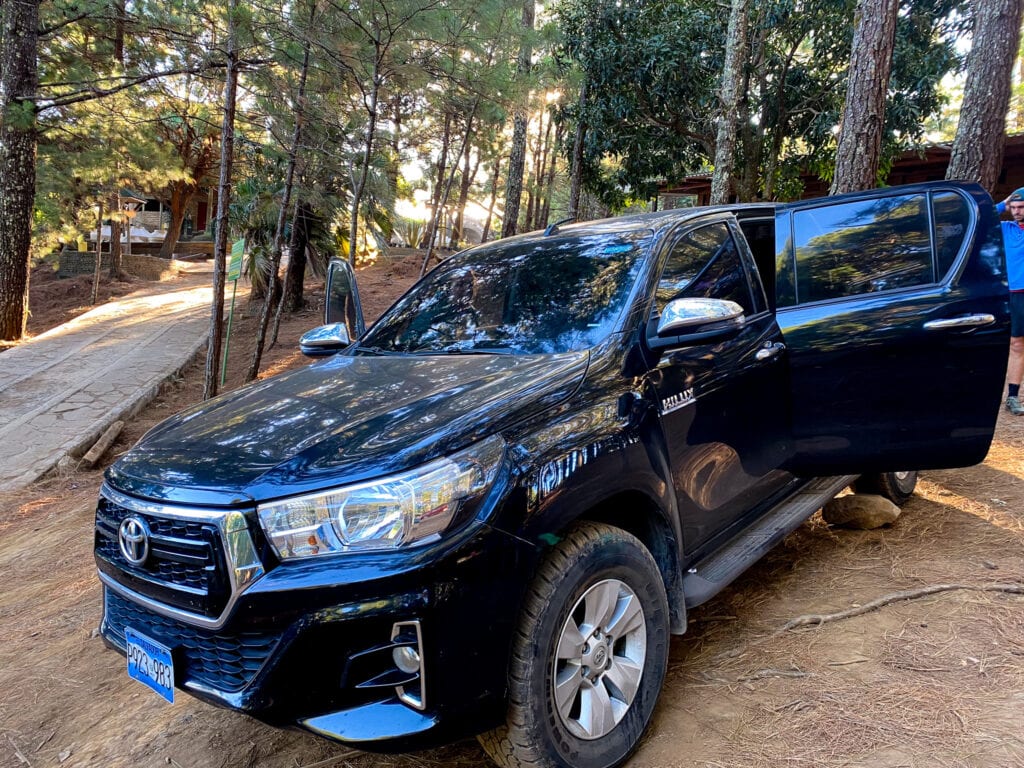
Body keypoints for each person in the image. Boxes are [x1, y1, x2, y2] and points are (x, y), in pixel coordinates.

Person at [996, 188, 1024, 415]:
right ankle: (1012, 397)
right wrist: (1002, 205)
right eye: (1013, 208)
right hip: (1016, 293)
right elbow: (978, 218)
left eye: (1021, 207)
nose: (1016, 211)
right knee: (1016, 344)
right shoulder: (1005, 228)